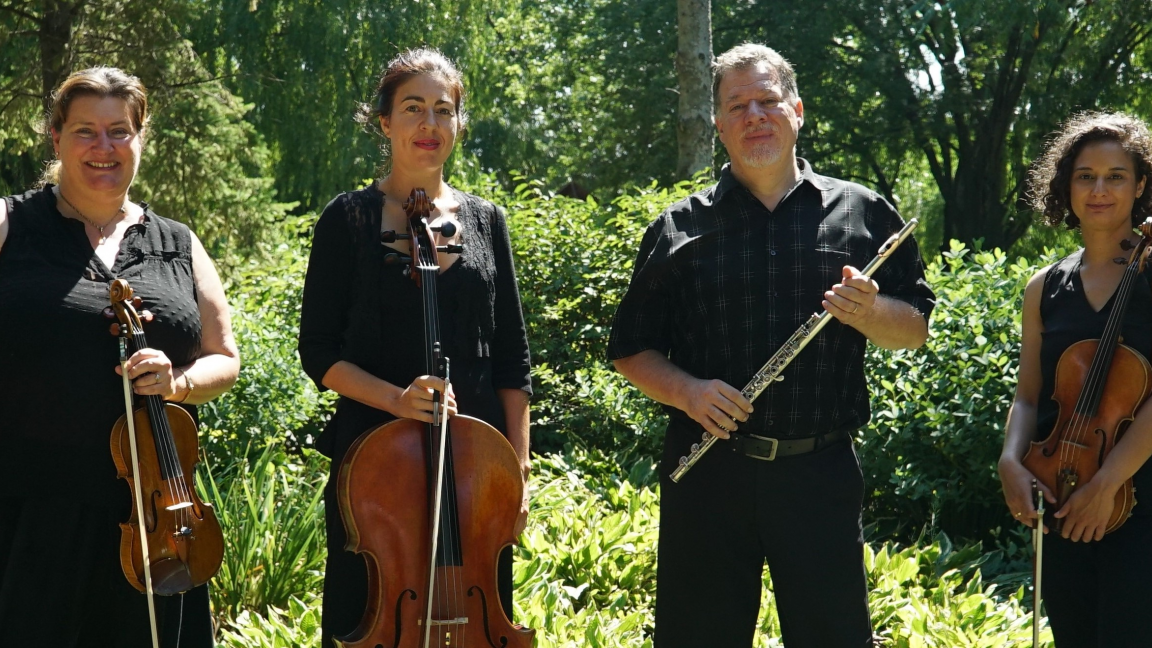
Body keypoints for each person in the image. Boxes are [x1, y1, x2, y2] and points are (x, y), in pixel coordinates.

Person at [609, 43, 935, 648]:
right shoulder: (679, 228)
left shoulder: (860, 213)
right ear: (719, 125)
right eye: (738, 104)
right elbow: (631, 348)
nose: (755, 115)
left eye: (768, 100)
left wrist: (869, 311)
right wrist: (688, 392)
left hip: (819, 475)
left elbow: (913, 327)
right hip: (708, 471)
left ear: (798, 110)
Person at [296, 48, 532, 647]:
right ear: (384, 121)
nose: (429, 125)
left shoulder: (486, 221)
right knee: (369, 609)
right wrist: (397, 400)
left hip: (477, 474)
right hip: (376, 468)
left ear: (458, 123)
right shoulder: (346, 219)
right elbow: (318, 353)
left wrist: (518, 473)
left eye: (443, 110)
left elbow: (513, 357)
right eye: (413, 108)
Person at [0, 67, 240, 646]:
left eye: (119, 131)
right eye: (85, 131)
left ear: (140, 138)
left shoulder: (178, 241)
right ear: (55, 138)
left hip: (156, 516)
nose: (103, 147)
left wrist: (178, 383)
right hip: (30, 508)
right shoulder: (12, 224)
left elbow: (224, 357)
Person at [999, 111, 1152, 646]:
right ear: (1066, 186)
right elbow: (1028, 395)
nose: (1100, 189)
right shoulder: (1045, 287)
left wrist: (1108, 483)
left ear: (1141, 185)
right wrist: (1010, 459)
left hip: (1138, 498)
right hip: (1062, 490)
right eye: (1086, 176)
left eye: (1116, 176)